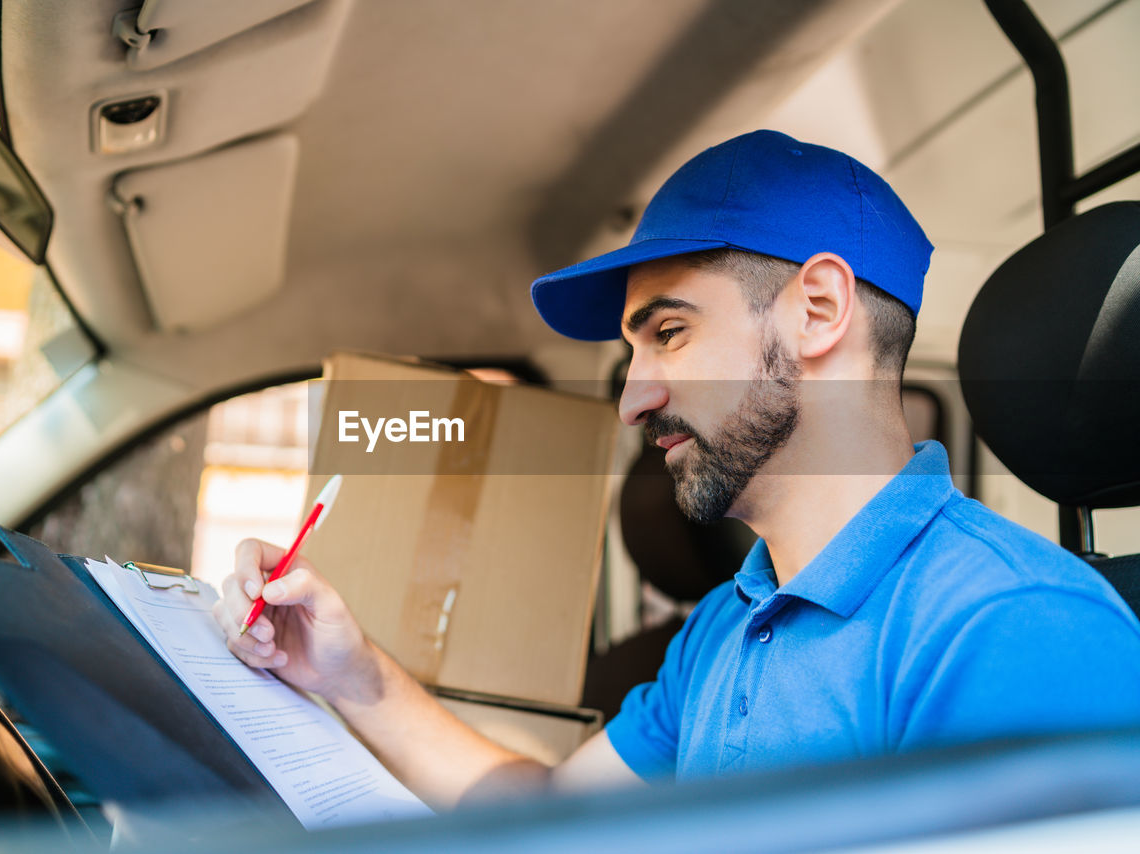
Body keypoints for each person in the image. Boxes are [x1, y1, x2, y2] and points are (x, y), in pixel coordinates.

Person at [212, 129, 1140, 806]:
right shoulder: (727, 629)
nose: (632, 398)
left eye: (670, 332)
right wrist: (347, 671)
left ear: (817, 309)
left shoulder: (1013, 629)